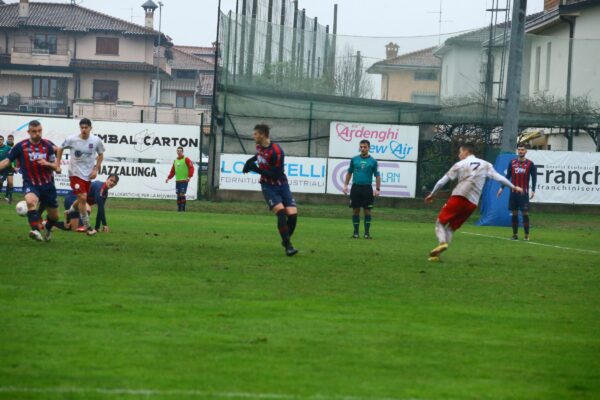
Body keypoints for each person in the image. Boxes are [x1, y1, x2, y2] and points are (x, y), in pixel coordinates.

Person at [425, 143, 523, 262]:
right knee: (451, 228)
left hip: (459, 196)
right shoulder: (486, 164)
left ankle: (442, 242)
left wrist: (432, 194)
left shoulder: (460, 164)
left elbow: (442, 181)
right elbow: (499, 178)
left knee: (440, 223)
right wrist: (513, 187)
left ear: (466, 152)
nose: (459, 155)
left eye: (460, 152)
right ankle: (437, 255)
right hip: (472, 203)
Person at [0, 120, 65, 241]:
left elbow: (56, 167)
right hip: (30, 182)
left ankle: (47, 227)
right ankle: (35, 231)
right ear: (29, 132)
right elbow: (7, 161)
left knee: (54, 216)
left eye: (39, 131)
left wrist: (47, 164)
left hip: (47, 185)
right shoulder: (20, 146)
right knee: (30, 201)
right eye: (34, 131)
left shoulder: (48, 145)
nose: (37, 134)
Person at [242, 124, 298, 256]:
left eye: (255, 134)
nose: (253, 136)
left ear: (262, 135)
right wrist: (249, 161)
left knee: (293, 214)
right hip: (268, 186)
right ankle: (288, 246)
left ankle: (285, 239)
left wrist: (255, 169)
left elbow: (276, 174)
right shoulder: (259, 146)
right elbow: (259, 155)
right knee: (281, 212)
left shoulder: (277, 152)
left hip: (281, 184)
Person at [56, 118, 105, 236]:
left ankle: (69, 212)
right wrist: (57, 165)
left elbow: (101, 155)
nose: (83, 130)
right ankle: (88, 226)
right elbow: (60, 148)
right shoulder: (72, 139)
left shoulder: (96, 140)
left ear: (90, 128)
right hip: (75, 174)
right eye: (82, 127)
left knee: (81, 199)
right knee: (83, 197)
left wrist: (95, 169)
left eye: (86, 128)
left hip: (88, 176)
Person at [497, 144, 537, 241]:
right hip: (513, 192)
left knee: (525, 213)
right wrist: (501, 188)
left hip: (523, 193)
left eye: (522, 150)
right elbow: (507, 177)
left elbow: (534, 177)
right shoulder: (512, 163)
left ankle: (526, 235)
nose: (520, 151)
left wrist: (533, 190)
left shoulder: (530, 164)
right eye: (519, 150)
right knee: (514, 213)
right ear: (517, 151)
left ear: (526, 151)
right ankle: (515, 234)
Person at [342, 139, 381, 239]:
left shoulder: (373, 161)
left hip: (367, 188)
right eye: (361, 147)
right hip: (356, 188)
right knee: (355, 210)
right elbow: (349, 173)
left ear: (369, 148)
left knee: (367, 211)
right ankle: (355, 233)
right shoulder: (354, 159)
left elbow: (377, 176)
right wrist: (345, 185)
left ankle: (367, 234)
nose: (363, 149)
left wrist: (377, 189)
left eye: (365, 147)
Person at [165, 146, 194, 212]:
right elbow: (173, 171)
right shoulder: (175, 161)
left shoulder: (186, 159)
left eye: (180, 151)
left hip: (184, 180)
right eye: (178, 151)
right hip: (177, 181)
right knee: (178, 194)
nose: (179, 152)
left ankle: (183, 209)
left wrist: (189, 176)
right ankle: (179, 209)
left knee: (182, 193)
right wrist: (168, 178)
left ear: (182, 152)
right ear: (176, 152)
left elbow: (191, 167)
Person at [0, 135, 15, 204]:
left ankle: (10, 198)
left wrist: (13, 166)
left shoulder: (8, 148)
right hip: (0, 168)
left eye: (1, 139)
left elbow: (12, 157)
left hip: (8, 168)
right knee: (0, 182)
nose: (0, 141)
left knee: (10, 183)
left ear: (3, 140)